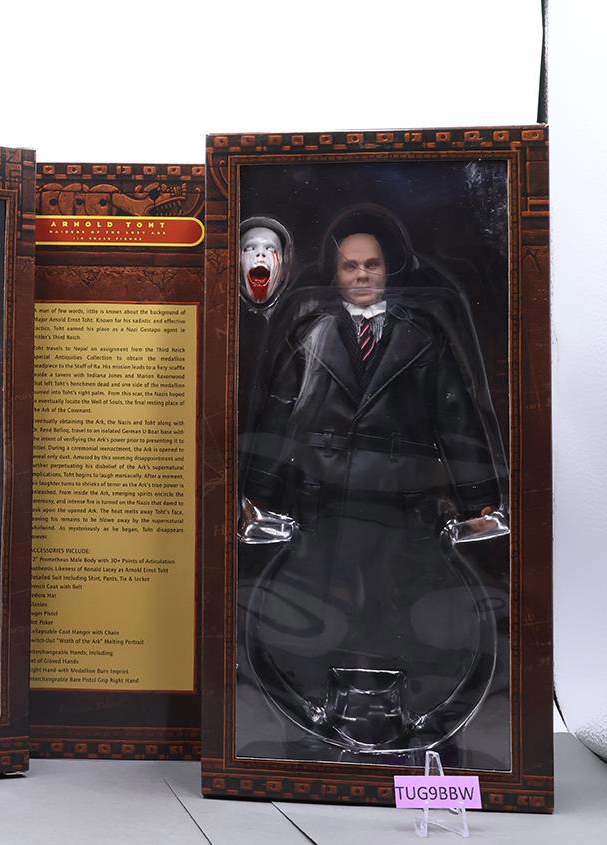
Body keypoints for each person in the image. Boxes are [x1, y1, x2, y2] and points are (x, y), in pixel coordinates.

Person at [239, 204, 507, 751]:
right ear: (334, 273)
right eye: (350, 266)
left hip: (400, 502)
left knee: (401, 602)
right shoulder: (310, 332)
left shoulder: (423, 334)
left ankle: (408, 712)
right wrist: (257, 497)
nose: (361, 275)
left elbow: (456, 415)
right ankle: (318, 710)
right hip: (324, 501)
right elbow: (278, 417)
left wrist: (480, 500)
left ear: (388, 269)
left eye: (371, 265)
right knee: (322, 604)